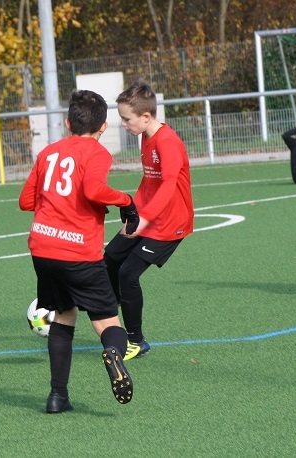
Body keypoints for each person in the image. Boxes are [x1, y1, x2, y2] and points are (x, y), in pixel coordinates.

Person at [19, 89, 138, 414]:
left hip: (42, 248)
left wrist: (55, 204)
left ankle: (57, 397)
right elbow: (93, 189)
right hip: (78, 252)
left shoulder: (48, 152)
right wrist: (126, 201)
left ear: (68, 123)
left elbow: (26, 201)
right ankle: (113, 353)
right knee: (107, 321)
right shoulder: (97, 152)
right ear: (103, 127)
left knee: (64, 316)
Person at [104, 79, 193, 362]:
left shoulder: (168, 142)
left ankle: (136, 341)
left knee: (128, 274)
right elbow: (149, 181)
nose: (123, 124)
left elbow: (168, 185)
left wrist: (145, 219)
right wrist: (135, 214)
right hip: (150, 216)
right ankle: (115, 311)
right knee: (110, 258)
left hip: (171, 223)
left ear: (145, 116)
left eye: (126, 119)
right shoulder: (145, 136)